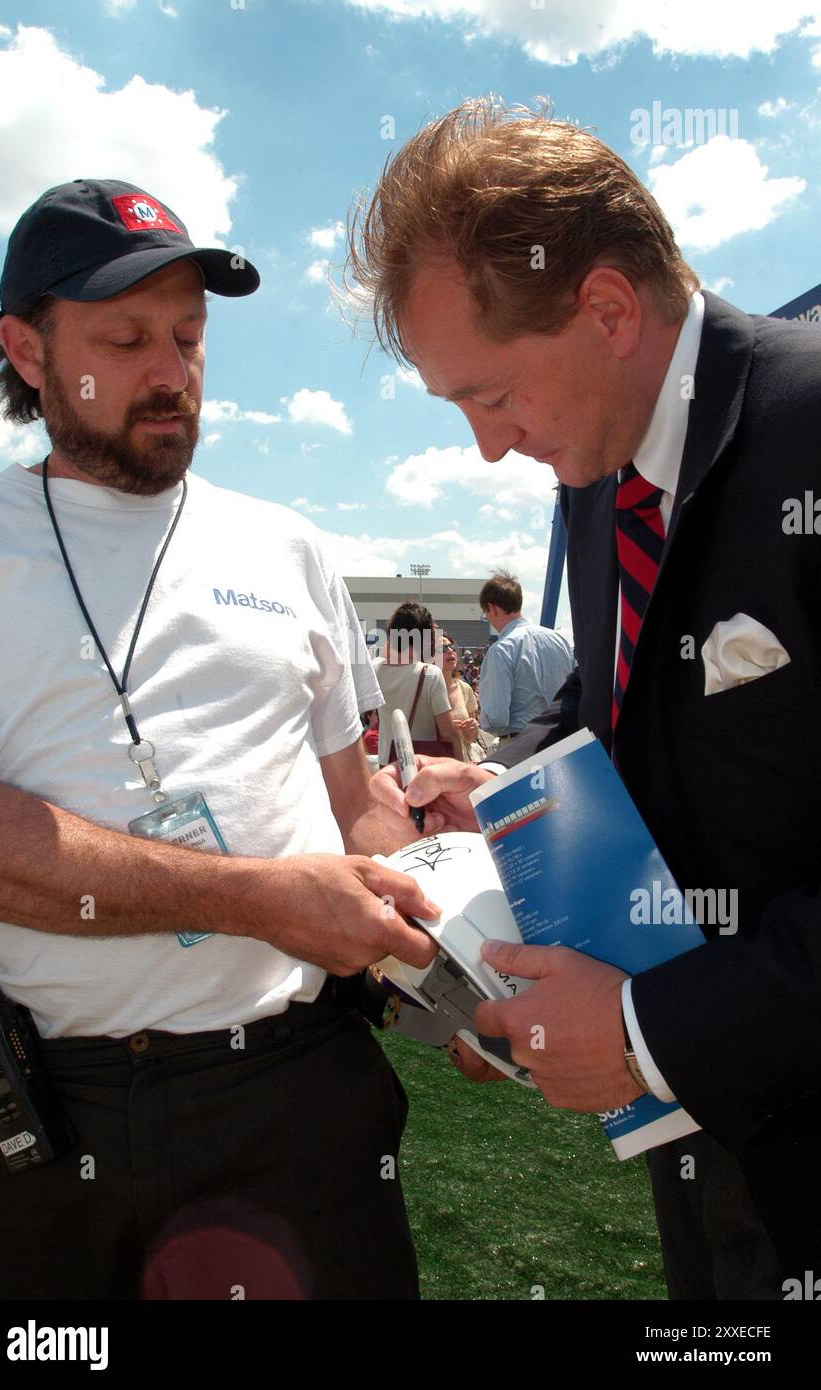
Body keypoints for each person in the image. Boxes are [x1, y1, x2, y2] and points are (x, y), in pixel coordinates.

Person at [348, 97, 821, 1298]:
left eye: (491, 395)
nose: (486, 448)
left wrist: (649, 1031)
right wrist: (501, 780)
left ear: (608, 309)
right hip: (702, 1157)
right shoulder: (596, 473)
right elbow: (644, 719)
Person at [0, 178, 441, 1301]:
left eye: (187, 336)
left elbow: (355, 801)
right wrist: (256, 896)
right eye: (124, 339)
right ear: (27, 352)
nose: (170, 370)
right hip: (46, 1107)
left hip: (293, 1088)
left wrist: (457, 964)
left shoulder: (290, 546)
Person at [477, 570, 574, 744]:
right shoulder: (562, 641)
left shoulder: (501, 650)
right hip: (565, 739)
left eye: (486, 614)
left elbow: (497, 718)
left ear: (491, 608)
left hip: (522, 744)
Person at [372, 602, 462, 765]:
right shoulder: (430, 674)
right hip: (423, 763)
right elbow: (449, 733)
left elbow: (387, 650)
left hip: (387, 762)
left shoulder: (376, 669)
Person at [436, 630, 484, 762]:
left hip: (463, 764)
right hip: (435, 764)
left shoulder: (465, 688)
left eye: (452, 647)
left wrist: (472, 729)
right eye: (443, 648)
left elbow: (472, 738)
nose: (450, 651)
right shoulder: (424, 690)